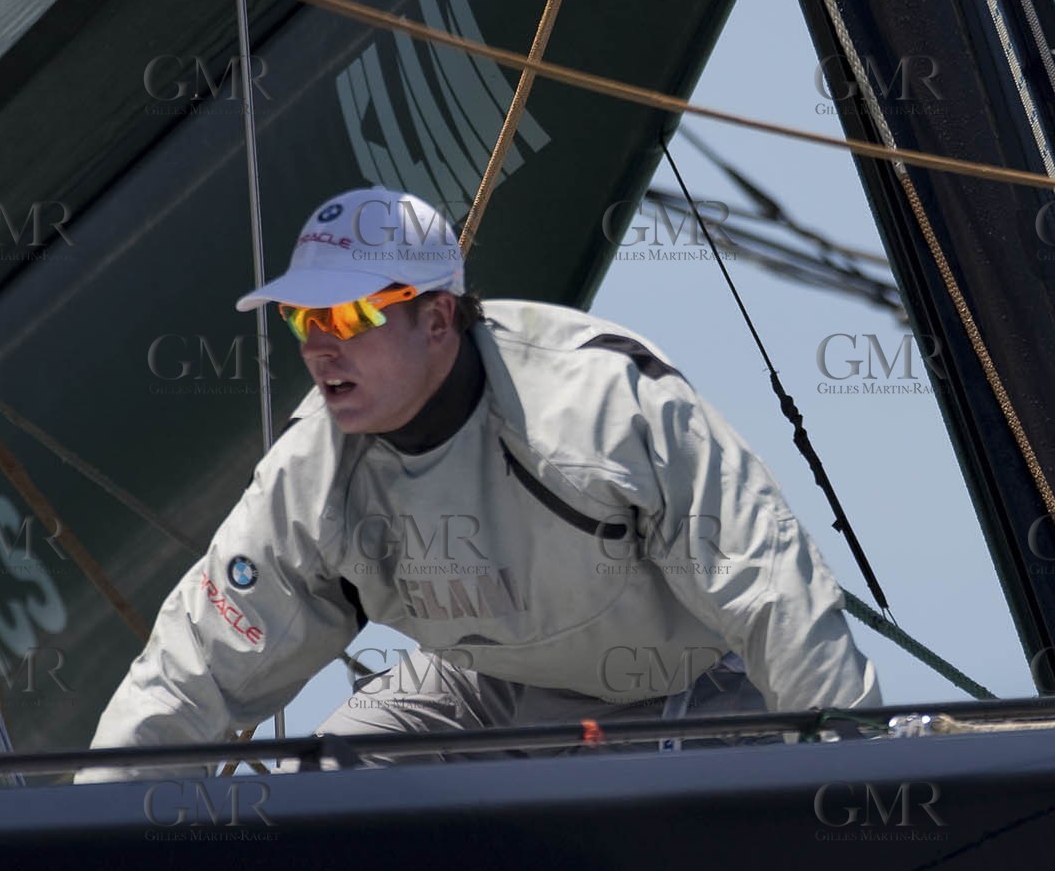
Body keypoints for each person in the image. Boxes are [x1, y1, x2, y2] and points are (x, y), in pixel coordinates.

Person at [75, 187, 881, 783]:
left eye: (347, 316)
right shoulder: (311, 479)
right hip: (477, 688)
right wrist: (74, 853)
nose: (320, 347)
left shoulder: (599, 409)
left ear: (437, 319)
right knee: (310, 812)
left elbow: (774, 593)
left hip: (682, 691)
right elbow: (199, 669)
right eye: (301, 320)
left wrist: (866, 777)